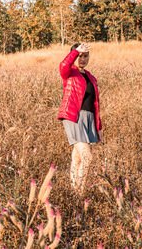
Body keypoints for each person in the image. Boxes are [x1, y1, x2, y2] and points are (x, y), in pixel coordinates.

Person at [58, 43, 103, 195]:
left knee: (77, 158)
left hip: (88, 119)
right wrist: (75, 52)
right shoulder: (69, 72)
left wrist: (99, 127)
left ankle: (73, 191)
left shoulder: (91, 77)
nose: (82, 59)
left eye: (85, 56)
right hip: (73, 116)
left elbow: (95, 104)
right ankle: (80, 193)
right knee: (87, 157)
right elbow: (64, 64)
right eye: (79, 56)